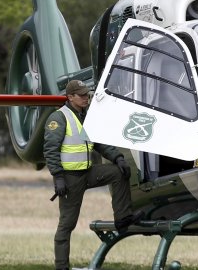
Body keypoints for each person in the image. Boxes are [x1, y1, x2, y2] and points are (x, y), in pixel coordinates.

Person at [42, 79, 139, 270]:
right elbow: (50, 150)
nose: (87, 98)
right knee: (67, 224)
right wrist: (58, 177)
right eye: (82, 95)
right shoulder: (58, 118)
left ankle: (123, 218)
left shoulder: (86, 116)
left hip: (88, 172)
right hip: (70, 178)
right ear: (70, 97)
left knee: (118, 173)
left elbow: (99, 142)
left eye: (87, 94)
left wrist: (118, 157)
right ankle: (61, 266)